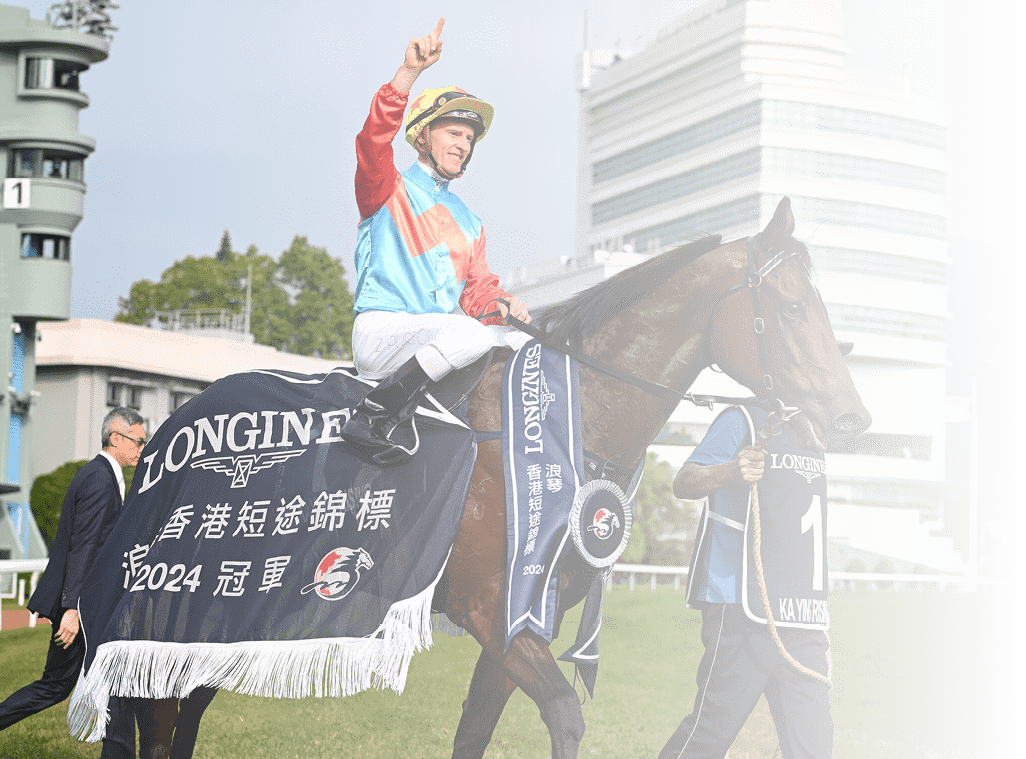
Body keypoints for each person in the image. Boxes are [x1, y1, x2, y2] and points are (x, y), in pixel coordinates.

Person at [341, 17, 532, 461]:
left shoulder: (471, 222)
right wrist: (408, 74)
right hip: (383, 334)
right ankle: (375, 414)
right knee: (473, 337)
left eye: (469, 138)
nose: (463, 144)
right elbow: (372, 141)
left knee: (523, 345)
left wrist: (502, 305)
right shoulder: (386, 186)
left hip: (440, 338)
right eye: (453, 132)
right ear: (423, 135)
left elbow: (477, 292)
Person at [660, 403, 832, 759]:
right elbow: (685, 481)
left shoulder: (813, 429)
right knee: (708, 739)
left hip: (802, 617)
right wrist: (730, 471)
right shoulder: (742, 420)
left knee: (814, 750)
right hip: (740, 606)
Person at [0, 407, 145, 758]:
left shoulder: (102, 475)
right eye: (139, 441)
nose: (142, 448)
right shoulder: (98, 478)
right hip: (81, 608)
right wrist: (71, 608)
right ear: (116, 438)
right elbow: (84, 546)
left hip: (88, 606)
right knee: (57, 686)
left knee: (101, 681)